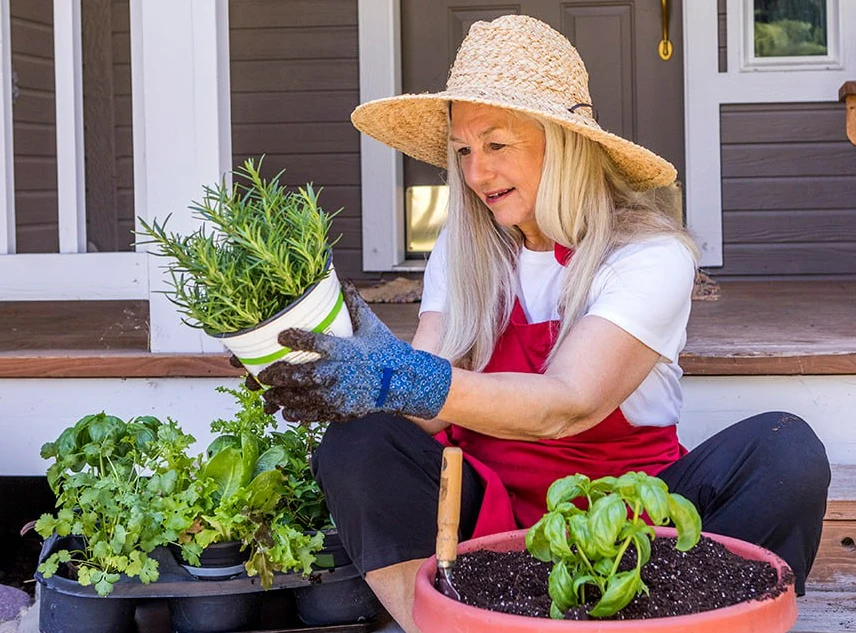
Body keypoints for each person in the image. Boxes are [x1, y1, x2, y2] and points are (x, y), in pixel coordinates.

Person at [253, 15, 830, 632]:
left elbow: (571, 403)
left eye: (497, 146)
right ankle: (445, 625)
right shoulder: (464, 248)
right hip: (487, 526)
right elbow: (428, 413)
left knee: (784, 449)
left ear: (566, 143)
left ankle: (680, 622)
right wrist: (333, 365)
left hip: (636, 526)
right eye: (464, 152)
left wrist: (405, 378)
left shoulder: (649, 254)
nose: (476, 175)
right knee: (358, 445)